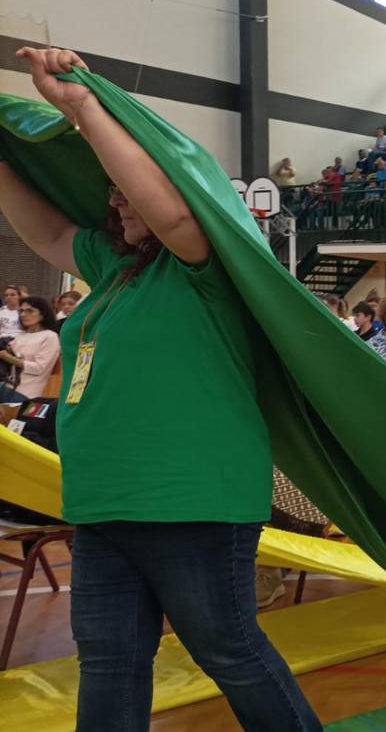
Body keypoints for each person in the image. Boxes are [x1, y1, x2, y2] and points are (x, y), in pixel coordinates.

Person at [0, 46, 320, 729]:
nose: (116, 197)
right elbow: (48, 230)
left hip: (189, 501)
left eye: (127, 186)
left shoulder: (208, 265)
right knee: (110, 659)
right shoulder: (116, 269)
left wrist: (82, 107)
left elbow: (174, 219)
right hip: (103, 502)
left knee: (229, 650)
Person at [0, 296, 60, 403]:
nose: (23, 314)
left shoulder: (50, 336)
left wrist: (10, 358)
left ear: (42, 314)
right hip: (7, 388)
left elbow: (39, 368)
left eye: (29, 311)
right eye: (22, 311)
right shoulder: (21, 336)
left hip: (27, 394)